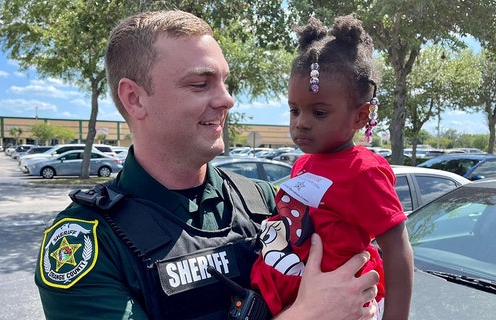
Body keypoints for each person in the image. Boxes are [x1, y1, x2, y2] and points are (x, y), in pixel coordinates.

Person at [34, 10, 380, 320]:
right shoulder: (87, 245)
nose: (227, 99)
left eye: (224, 81)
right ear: (134, 99)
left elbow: (362, 279)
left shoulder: (270, 201)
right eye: (201, 84)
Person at [250, 15, 414, 319]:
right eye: (295, 110)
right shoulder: (302, 164)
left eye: (319, 112)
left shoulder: (364, 172)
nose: (301, 122)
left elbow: (397, 250)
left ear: (361, 116)